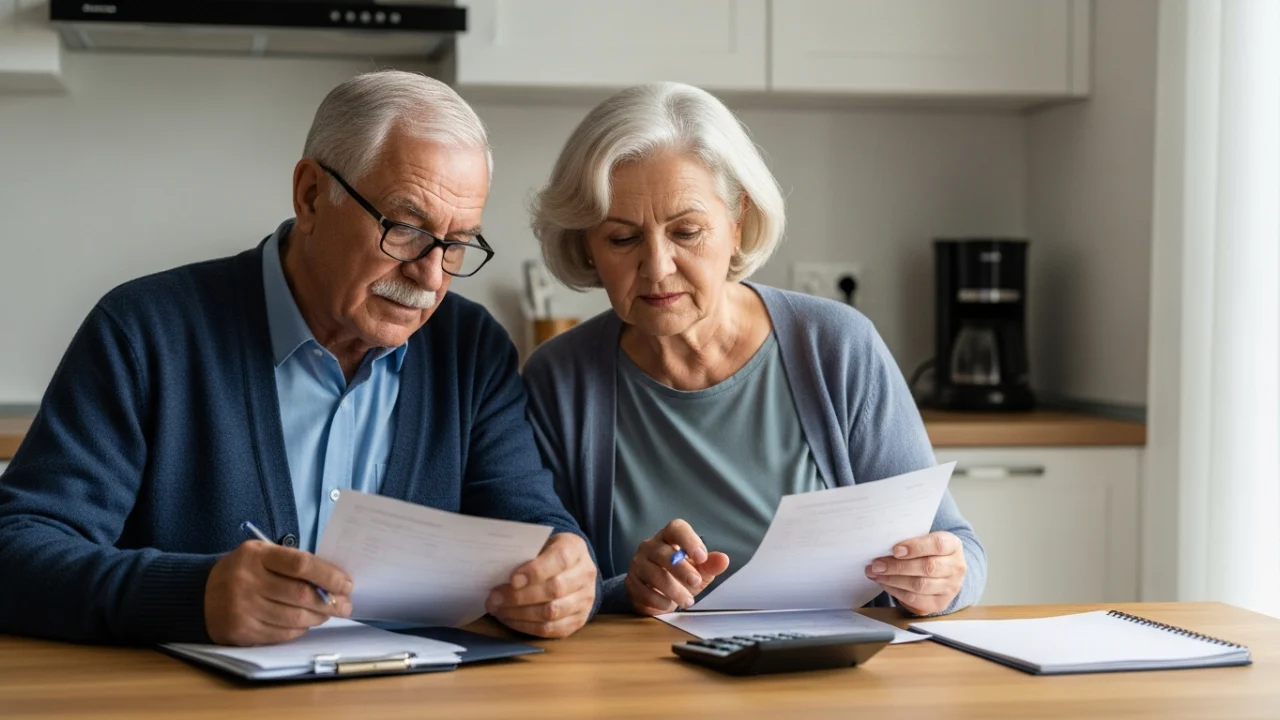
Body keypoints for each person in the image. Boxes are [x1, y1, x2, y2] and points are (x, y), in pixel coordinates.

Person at [0, 71, 597, 646]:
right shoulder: (143, 331)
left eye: (458, 243)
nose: (430, 274)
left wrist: (565, 574)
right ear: (311, 196)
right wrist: (193, 595)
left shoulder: (472, 350)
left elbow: (535, 532)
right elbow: (18, 549)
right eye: (406, 228)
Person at [523, 82, 986, 617]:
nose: (657, 267)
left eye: (687, 231)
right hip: (649, 691)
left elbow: (959, 550)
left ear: (737, 222)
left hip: (826, 682)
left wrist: (941, 579)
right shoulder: (558, 380)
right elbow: (545, 590)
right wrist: (625, 591)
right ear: (586, 244)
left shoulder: (837, 347)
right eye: (622, 239)